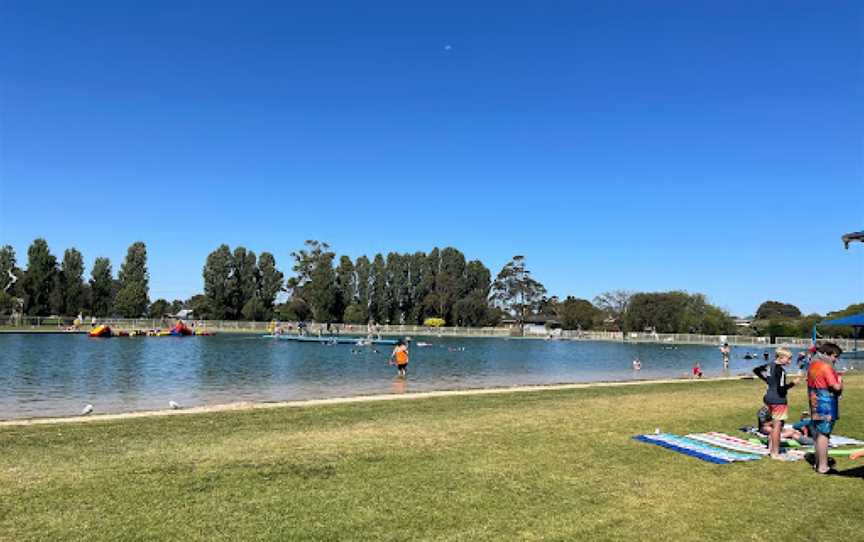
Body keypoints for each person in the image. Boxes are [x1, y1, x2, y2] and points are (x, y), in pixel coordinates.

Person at [753, 347, 800, 458]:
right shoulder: (781, 370)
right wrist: (793, 383)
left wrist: (768, 381)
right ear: (781, 357)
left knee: (776, 424)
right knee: (777, 427)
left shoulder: (769, 365)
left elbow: (756, 370)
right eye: (788, 359)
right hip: (778, 400)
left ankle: (771, 447)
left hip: (768, 398)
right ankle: (775, 452)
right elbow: (781, 389)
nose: (789, 361)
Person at [807, 342, 843, 474]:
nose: (836, 359)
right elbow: (836, 387)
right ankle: (823, 466)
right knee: (824, 434)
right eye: (835, 356)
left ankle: (817, 463)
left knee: (817, 433)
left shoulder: (813, 364)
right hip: (826, 403)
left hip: (814, 401)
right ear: (828, 354)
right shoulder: (826, 367)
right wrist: (840, 380)